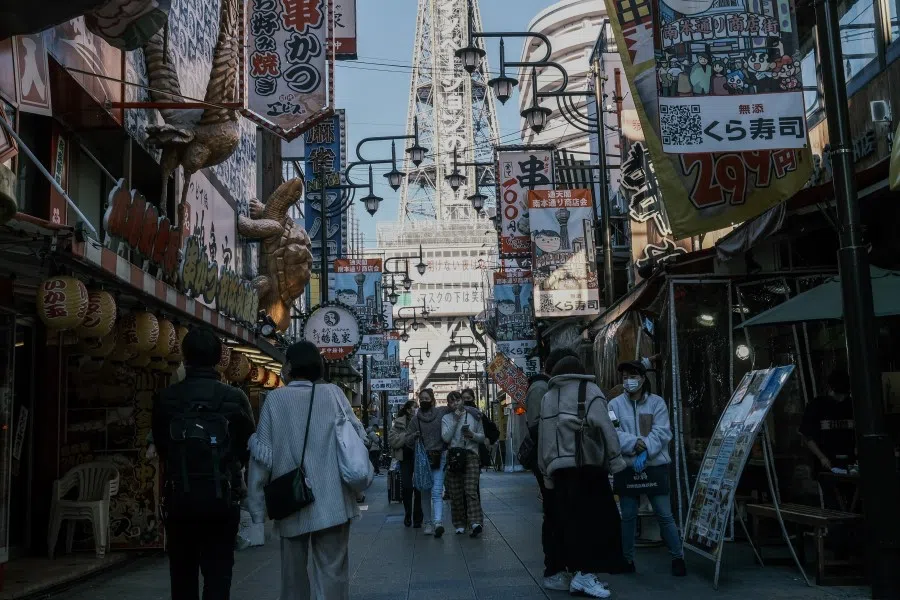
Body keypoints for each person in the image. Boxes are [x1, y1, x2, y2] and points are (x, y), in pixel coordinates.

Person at [247, 341, 368, 600]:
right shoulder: (334, 394)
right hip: (333, 500)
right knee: (333, 572)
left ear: (289, 366)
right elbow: (356, 437)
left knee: (292, 577)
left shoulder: (275, 400)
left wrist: (257, 512)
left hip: (291, 499)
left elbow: (261, 459)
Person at [152, 327, 256, 600]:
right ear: (218, 358)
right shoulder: (234, 398)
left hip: (180, 498)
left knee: (182, 574)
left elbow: (162, 447)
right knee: (219, 574)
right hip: (221, 497)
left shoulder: (167, 398)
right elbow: (248, 447)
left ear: (185, 357)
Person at [538, 353, 626, 599]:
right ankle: (585, 575)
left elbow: (544, 439)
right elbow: (607, 429)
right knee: (598, 522)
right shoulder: (590, 390)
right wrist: (616, 460)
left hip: (560, 472)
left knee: (570, 523)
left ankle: (578, 573)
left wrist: (546, 472)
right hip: (588, 467)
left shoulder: (548, 397)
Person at [608, 359, 686, 577]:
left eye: (633, 376)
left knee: (664, 513)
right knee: (628, 516)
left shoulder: (657, 403)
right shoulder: (614, 405)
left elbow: (663, 431)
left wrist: (646, 448)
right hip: (627, 467)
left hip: (654, 466)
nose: (629, 381)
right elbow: (612, 432)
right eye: (625, 378)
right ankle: (627, 560)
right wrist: (635, 444)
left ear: (643, 378)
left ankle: (678, 557)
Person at [525, 348, 578, 589]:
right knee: (555, 514)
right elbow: (538, 427)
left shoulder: (549, 387)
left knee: (564, 513)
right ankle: (554, 568)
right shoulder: (540, 389)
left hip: (561, 459)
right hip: (549, 460)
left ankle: (566, 564)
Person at [442, 391, 486, 537]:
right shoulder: (446, 418)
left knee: (470, 489)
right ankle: (459, 523)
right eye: (452, 401)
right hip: (454, 456)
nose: (456, 403)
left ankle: (475, 522)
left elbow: (482, 436)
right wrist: (455, 420)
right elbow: (446, 438)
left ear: (462, 400)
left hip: (471, 454)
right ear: (448, 404)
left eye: (458, 400)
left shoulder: (474, 416)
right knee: (455, 492)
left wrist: (472, 435)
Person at [800, 369, 856, 473]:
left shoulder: (852, 405)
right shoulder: (817, 406)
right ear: (830, 388)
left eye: (844, 395)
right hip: (826, 464)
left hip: (850, 462)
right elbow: (807, 436)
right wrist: (822, 457)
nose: (841, 398)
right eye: (838, 394)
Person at [390, 400, 422, 528]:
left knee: (419, 487)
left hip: (420, 458)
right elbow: (393, 441)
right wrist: (408, 436)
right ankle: (408, 513)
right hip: (405, 458)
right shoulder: (398, 423)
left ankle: (418, 517)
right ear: (408, 410)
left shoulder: (422, 420)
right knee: (407, 487)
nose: (417, 409)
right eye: (415, 407)